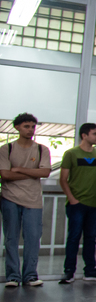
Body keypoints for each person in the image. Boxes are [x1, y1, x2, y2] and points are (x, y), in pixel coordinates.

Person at [1, 113, 51, 288]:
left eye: (32, 126)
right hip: (9, 198)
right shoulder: (6, 149)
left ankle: (30, 275)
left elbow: (45, 172)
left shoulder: (41, 149)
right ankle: (13, 276)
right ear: (17, 127)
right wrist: (31, 173)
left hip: (33, 200)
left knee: (33, 237)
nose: (30, 129)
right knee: (11, 238)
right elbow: (5, 174)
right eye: (26, 126)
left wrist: (19, 169)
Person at [58, 123, 96, 284]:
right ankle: (69, 271)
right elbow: (63, 179)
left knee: (90, 237)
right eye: (94, 134)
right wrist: (72, 198)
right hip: (77, 204)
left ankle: (90, 270)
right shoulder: (71, 154)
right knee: (74, 237)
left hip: (94, 204)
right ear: (84, 135)